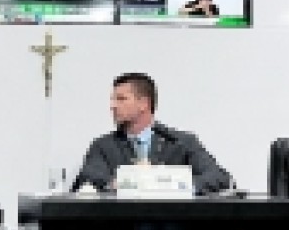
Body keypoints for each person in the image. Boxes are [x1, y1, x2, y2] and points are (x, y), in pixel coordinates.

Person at [73, 72, 232, 194]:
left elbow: (219, 178)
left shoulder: (180, 142)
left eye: (121, 99)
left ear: (144, 104)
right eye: (112, 100)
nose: (113, 106)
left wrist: (171, 185)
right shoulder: (103, 146)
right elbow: (88, 178)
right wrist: (127, 183)